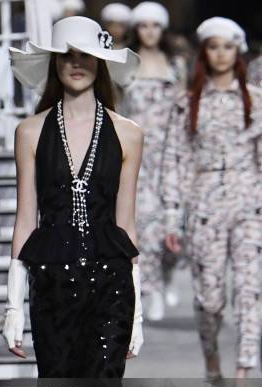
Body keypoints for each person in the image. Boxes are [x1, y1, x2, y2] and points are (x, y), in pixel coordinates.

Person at [6, 16, 143, 387]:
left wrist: (139, 310)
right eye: (67, 55)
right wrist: (13, 303)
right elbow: (25, 219)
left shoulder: (130, 133)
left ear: (103, 64)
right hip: (52, 292)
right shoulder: (31, 130)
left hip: (111, 288)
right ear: (54, 64)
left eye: (87, 55)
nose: (77, 63)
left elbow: (127, 223)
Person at [161, 17, 262, 387]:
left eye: (228, 46)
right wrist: (173, 216)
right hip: (204, 205)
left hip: (250, 204)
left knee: (250, 290)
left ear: (238, 51)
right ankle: (213, 364)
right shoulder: (187, 103)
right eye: (214, 46)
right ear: (204, 51)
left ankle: (242, 376)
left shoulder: (255, 99)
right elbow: (175, 160)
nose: (221, 53)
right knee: (210, 299)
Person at [122, 1, 188, 321]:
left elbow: (186, 107)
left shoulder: (175, 64)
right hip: (137, 151)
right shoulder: (124, 62)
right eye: (144, 25)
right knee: (146, 222)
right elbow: (117, 107)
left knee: (175, 224)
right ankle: (150, 288)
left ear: (162, 29)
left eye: (155, 25)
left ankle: (167, 276)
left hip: (172, 151)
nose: (149, 32)